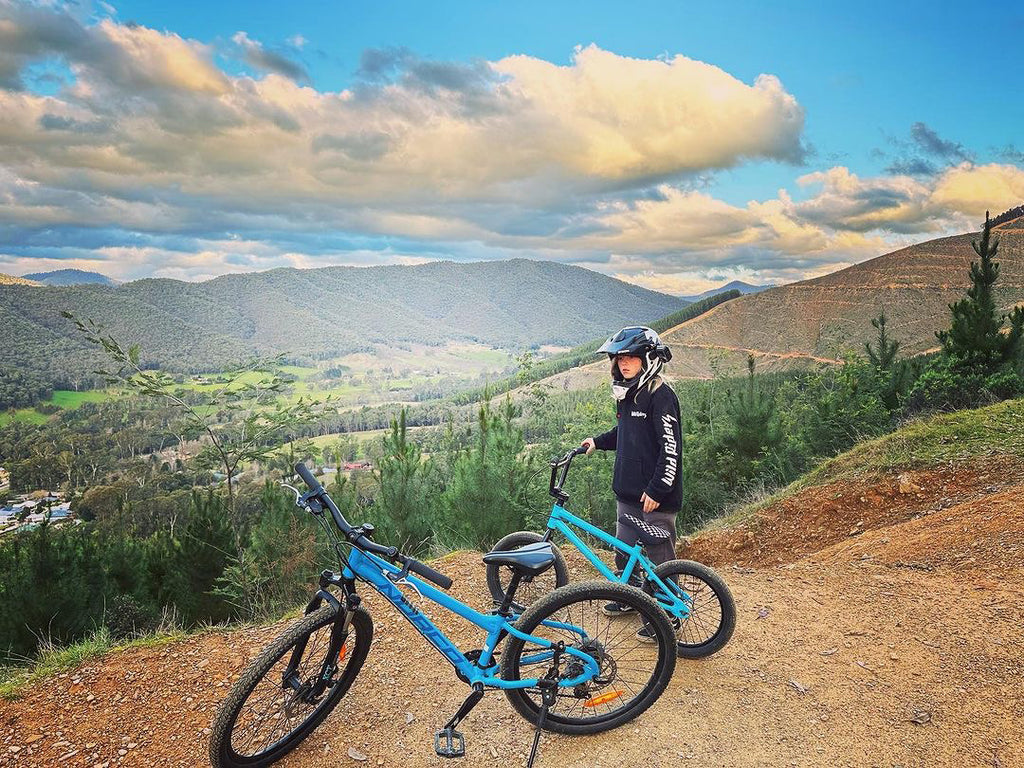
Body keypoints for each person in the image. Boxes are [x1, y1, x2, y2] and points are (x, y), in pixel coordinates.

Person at [581, 326, 682, 636]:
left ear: (648, 359)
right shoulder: (626, 393)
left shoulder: (660, 396)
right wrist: (596, 442)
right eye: (619, 358)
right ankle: (630, 596)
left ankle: (668, 614)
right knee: (623, 550)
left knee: (659, 556)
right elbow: (624, 435)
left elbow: (671, 448)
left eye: (631, 358)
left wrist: (658, 489)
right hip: (626, 492)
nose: (623, 364)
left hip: (654, 496)